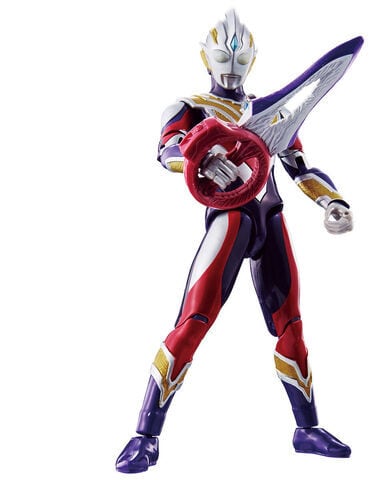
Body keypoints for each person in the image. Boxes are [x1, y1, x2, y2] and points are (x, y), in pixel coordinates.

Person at [116, 10, 354, 474]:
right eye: (223, 57)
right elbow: (167, 150)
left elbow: (301, 167)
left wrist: (333, 202)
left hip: (269, 219)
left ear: (252, 60)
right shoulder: (191, 107)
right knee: (194, 320)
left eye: (240, 58)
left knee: (291, 325)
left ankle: (307, 429)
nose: (231, 66)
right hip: (229, 218)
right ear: (206, 57)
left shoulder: (272, 113)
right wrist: (200, 158)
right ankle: (144, 435)